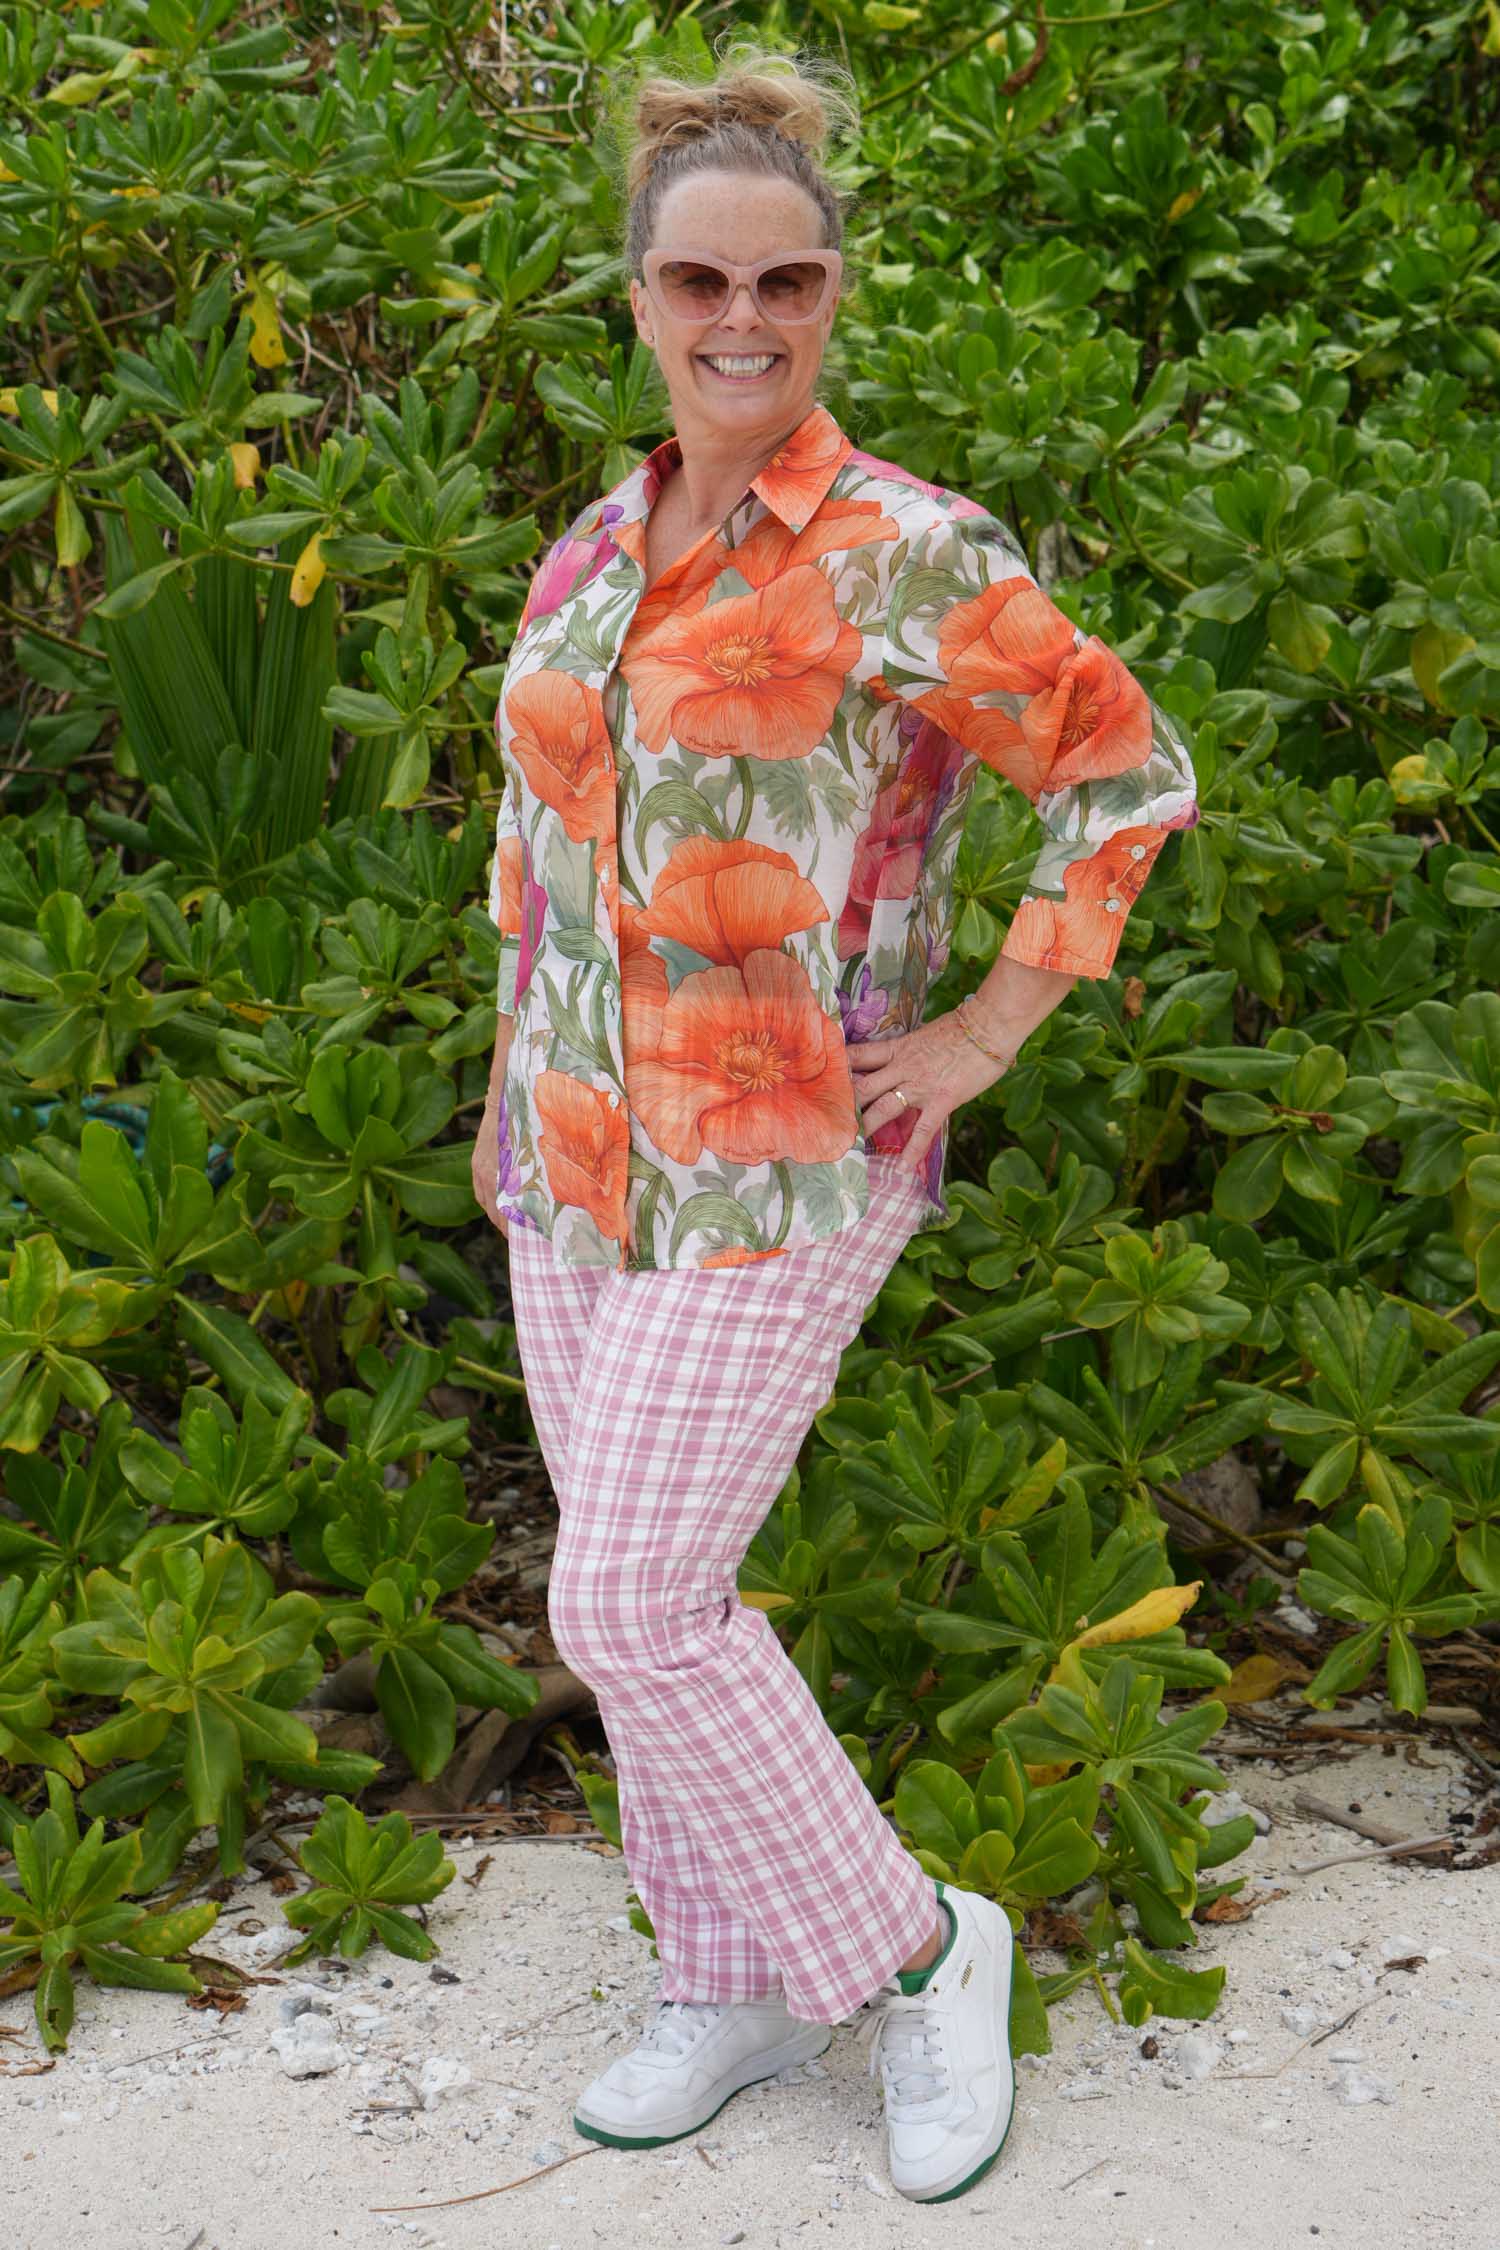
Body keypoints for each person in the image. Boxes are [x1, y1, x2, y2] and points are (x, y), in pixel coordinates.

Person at [470, 38, 1198, 2206]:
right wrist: (519, 1076)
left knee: (633, 1605)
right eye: (700, 285)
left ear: (834, 293)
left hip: (788, 1156)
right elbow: (546, 841)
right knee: (645, 1605)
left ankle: (913, 1951)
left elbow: (1124, 771)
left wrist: (984, 1029)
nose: (742, 326)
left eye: (785, 285)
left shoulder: (902, 549)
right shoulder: (599, 544)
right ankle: (719, 1969)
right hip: (574, 1154)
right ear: (637, 297)